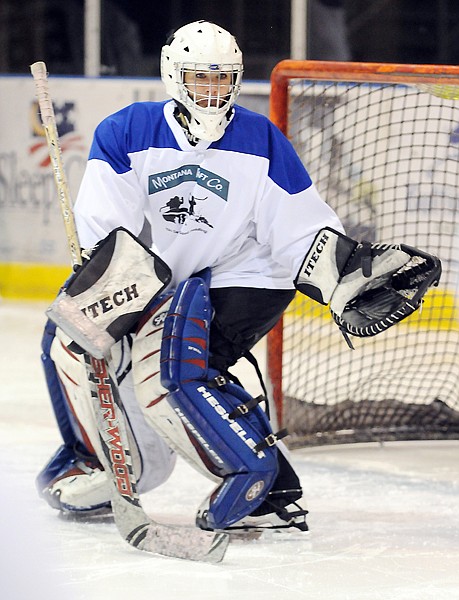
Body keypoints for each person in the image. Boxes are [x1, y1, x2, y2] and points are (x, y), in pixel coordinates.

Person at [36, 20, 345, 534]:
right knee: (69, 331)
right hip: (177, 279)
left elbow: (299, 223)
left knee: (178, 361)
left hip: (251, 273)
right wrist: (101, 287)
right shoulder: (129, 131)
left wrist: (340, 272)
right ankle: (94, 459)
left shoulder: (258, 138)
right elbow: (107, 229)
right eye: (200, 78)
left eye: (222, 79)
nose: (212, 91)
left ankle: (261, 485)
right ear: (173, 76)